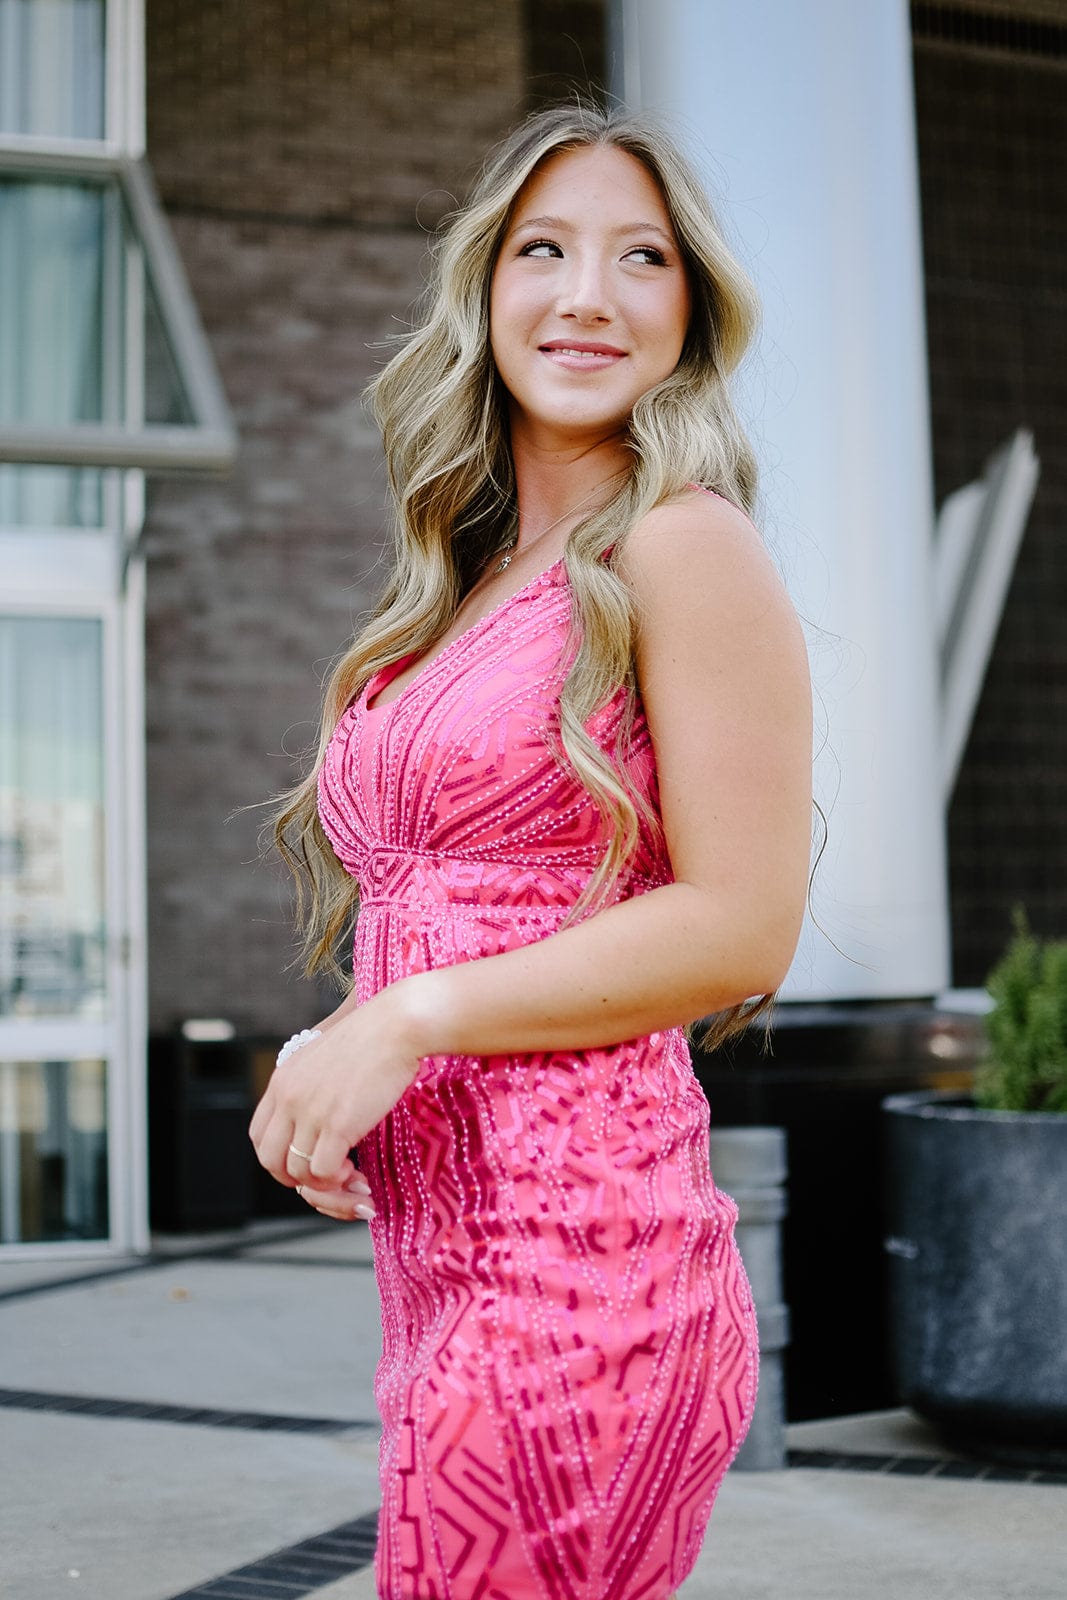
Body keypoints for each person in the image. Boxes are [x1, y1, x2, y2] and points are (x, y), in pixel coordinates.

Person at [250, 101, 812, 1600]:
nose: (586, 295)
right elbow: (458, 898)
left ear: (688, 314)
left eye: (641, 259)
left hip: (586, 1261)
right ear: (484, 290)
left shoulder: (684, 546)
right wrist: (348, 1062)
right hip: (442, 1259)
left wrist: (411, 1019)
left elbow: (746, 925)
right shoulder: (469, 580)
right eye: (544, 250)